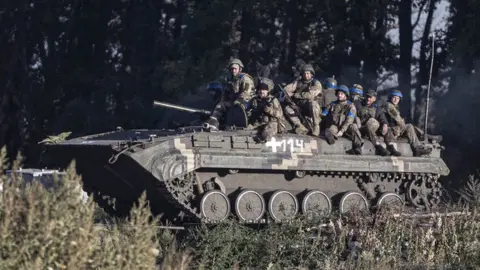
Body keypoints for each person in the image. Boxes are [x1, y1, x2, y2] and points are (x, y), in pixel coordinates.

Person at [204, 58, 255, 130]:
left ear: (240, 69)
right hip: (234, 101)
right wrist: (222, 102)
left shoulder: (245, 78)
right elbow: (226, 93)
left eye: (235, 69)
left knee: (238, 107)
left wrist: (239, 100)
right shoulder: (230, 80)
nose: (233, 70)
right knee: (220, 106)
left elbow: (247, 92)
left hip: (247, 101)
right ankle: (213, 124)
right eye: (232, 69)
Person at [383, 90, 432, 157]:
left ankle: (424, 137)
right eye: (394, 97)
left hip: (395, 128)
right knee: (409, 126)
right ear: (390, 97)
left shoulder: (394, 106)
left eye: (398, 98)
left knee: (410, 126)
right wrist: (402, 124)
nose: (396, 100)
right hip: (391, 130)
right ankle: (418, 146)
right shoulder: (389, 105)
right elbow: (398, 119)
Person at [321, 85, 363, 154]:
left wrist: (342, 131)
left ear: (346, 95)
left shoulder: (350, 106)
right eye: (338, 94)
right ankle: (332, 138)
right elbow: (324, 114)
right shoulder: (332, 104)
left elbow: (349, 120)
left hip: (346, 128)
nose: (339, 95)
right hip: (336, 126)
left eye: (341, 94)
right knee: (330, 129)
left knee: (354, 126)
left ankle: (358, 147)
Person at [283, 64, 323, 136]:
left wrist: (296, 95)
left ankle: (316, 126)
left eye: (308, 73)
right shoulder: (298, 82)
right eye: (304, 73)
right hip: (299, 106)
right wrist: (287, 92)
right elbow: (287, 89)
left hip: (311, 108)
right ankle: (299, 126)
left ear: (311, 74)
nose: (306, 75)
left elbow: (311, 95)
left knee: (313, 104)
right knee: (287, 108)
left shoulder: (316, 83)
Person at [355, 90, 390, 156]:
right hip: (361, 129)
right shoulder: (358, 104)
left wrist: (385, 124)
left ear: (374, 99)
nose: (368, 99)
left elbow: (383, 118)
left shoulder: (376, 108)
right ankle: (378, 146)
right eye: (367, 96)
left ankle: (389, 147)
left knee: (373, 122)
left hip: (372, 129)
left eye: (370, 97)